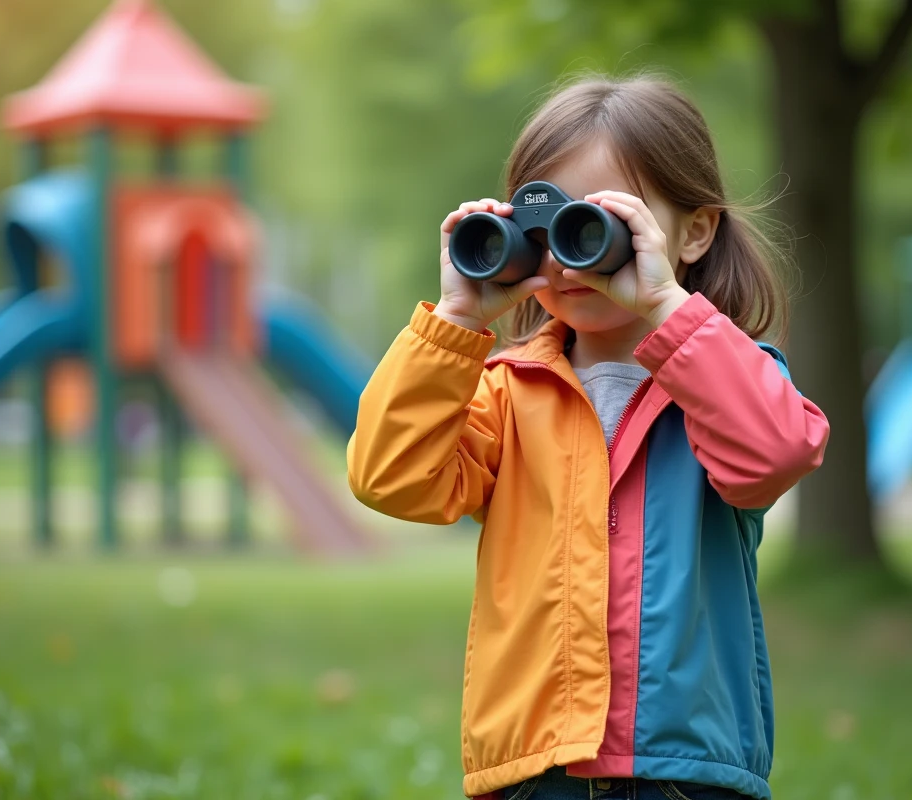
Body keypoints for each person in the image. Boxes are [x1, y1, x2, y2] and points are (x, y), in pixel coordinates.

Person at [347, 75, 830, 800]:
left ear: (693, 232)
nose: (566, 257)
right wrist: (455, 323)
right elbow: (390, 476)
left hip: (684, 767)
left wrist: (667, 307)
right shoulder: (505, 394)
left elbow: (773, 453)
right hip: (536, 769)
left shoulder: (728, 377)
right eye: (542, 230)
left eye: (595, 224)